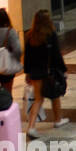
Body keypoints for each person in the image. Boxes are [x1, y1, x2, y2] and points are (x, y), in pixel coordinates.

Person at [22, 9, 66, 138]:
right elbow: (56, 55)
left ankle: (31, 126)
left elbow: (27, 57)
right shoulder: (50, 35)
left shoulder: (30, 35)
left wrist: (27, 73)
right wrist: (63, 69)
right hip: (49, 72)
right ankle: (58, 120)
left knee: (38, 99)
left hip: (35, 73)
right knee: (55, 94)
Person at [0, 9, 22, 96]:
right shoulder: (10, 32)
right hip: (7, 67)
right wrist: (15, 58)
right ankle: (7, 108)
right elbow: (18, 50)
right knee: (8, 93)